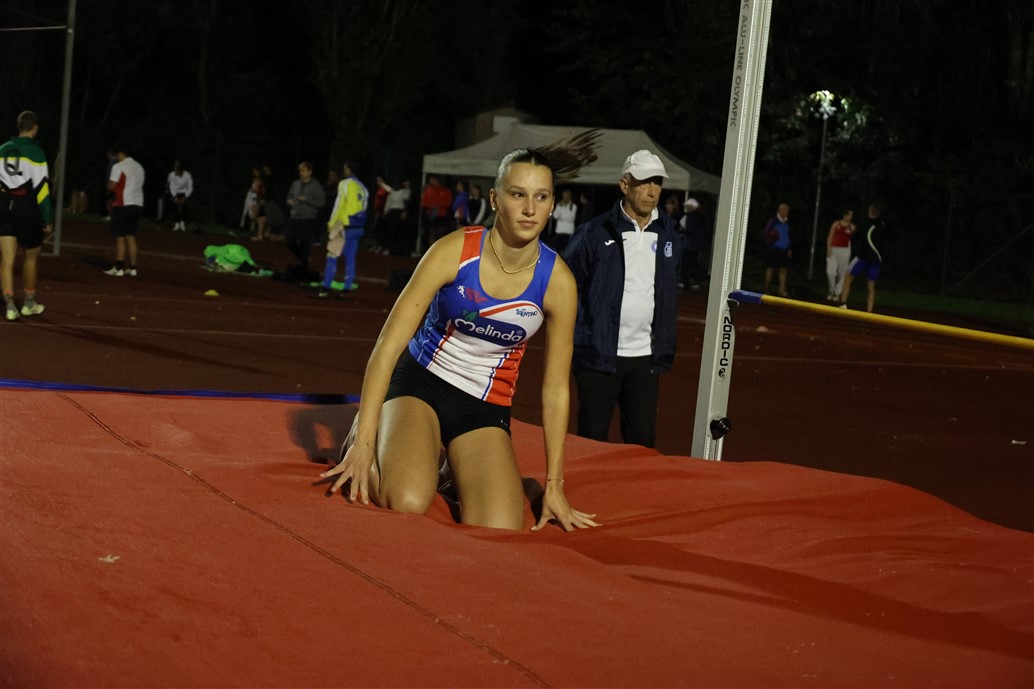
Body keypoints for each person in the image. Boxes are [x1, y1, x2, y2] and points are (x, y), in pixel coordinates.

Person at [320, 129, 603, 532]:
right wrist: (364, 443)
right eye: (518, 194)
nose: (529, 209)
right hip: (421, 384)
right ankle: (381, 431)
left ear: (553, 204)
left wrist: (555, 485)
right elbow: (388, 344)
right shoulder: (454, 251)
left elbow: (556, 389)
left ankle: (449, 467)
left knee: (499, 527)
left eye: (541, 197)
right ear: (495, 199)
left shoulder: (558, 282)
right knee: (407, 501)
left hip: (484, 406)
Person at [562, 150, 682, 449]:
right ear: (625, 185)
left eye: (657, 182)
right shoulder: (594, 232)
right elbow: (564, 283)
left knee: (642, 444)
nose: (652, 191)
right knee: (591, 442)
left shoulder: (670, 233)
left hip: (645, 359)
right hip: (599, 355)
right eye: (644, 182)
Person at [1, 110, 53, 321]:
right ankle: (29, 303)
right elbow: (42, 189)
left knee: (6, 260)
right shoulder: (36, 152)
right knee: (30, 258)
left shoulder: (3, 148)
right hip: (26, 207)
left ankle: (10, 306)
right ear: (35, 128)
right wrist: (47, 218)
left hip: (4, 206)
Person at [319, 161, 368, 297]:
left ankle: (326, 287)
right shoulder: (363, 188)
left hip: (343, 224)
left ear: (348, 169)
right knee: (350, 258)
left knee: (332, 255)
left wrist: (331, 223)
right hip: (358, 226)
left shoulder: (345, 184)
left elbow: (339, 205)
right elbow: (364, 207)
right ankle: (346, 289)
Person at [103, 143, 145, 277]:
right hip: (138, 204)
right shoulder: (139, 167)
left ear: (121, 153)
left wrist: (109, 190)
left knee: (120, 237)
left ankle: (119, 267)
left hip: (123, 204)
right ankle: (133, 268)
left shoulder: (119, 166)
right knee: (131, 236)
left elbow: (112, 185)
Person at [839, 203, 888, 312]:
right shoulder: (882, 226)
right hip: (875, 259)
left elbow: (854, 238)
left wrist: (856, 248)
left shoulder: (865, 224)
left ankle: (843, 304)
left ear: (870, 211)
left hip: (863, 257)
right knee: (871, 286)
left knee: (847, 278)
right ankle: (869, 312)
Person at [283, 161, 325, 280]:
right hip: (295, 217)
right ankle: (303, 258)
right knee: (288, 241)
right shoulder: (295, 184)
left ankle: (304, 268)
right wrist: (290, 201)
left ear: (310, 172)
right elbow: (289, 197)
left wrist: (306, 199)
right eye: (300, 170)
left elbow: (321, 202)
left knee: (305, 242)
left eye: (304, 170)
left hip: (308, 218)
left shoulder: (315, 186)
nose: (301, 173)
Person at [679, 198, 710, 289]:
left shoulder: (690, 217)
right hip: (696, 245)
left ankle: (687, 283)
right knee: (692, 263)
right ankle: (698, 279)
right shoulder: (701, 217)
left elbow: (689, 231)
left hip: (689, 245)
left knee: (687, 264)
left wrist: (682, 231)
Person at [825, 208, 855, 301]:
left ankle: (837, 293)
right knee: (830, 272)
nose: (850, 217)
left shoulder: (852, 227)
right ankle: (831, 290)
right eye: (849, 215)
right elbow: (830, 236)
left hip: (845, 251)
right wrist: (828, 248)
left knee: (842, 273)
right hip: (834, 249)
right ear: (844, 215)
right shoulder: (836, 224)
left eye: (852, 215)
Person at [762, 202, 792, 297]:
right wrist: (771, 239)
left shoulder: (787, 222)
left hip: (784, 249)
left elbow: (788, 236)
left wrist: (789, 248)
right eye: (785, 210)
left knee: (784, 270)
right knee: (770, 268)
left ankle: (781, 290)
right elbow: (766, 232)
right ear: (781, 210)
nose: (787, 212)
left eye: (787, 210)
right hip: (774, 249)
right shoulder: (774, 220)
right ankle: (767, 288)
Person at [379, 178, 412, 256]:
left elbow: (406, 202)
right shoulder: (394, 191)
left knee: (397, 231)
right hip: (394, 212)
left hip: (399, 212)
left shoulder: (404, 191)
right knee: (392, 231)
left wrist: (405, 211)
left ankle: (396, 249)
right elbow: (387, 189)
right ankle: (391, 248)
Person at [419, 174, 452, 250]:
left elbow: (448, 202)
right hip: (431, 215)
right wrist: (430, 206)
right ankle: (431, 250)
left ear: (436, 180)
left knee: (441, 232)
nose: (430, 181)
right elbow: (424, 202)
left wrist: (439, 205)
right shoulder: (428, 190)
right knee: (432, 232)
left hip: (441, 214)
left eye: (432, 179)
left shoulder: (445, 190)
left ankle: (440, 250)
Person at [166, 160, 194, 232]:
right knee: (175, 207)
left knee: (184, 207)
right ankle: (176, 224)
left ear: (181, 170)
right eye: (175, 168)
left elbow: (190, 187)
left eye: (176, 169)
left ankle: (182, 224)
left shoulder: (187, 175)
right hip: (175, 192)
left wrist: (185, 197)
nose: (175, 171)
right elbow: (171, 187)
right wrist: (174, 197)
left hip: (184, 193)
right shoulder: (172, 175)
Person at [550, 187, 577, 253]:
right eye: (564, 195)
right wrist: (560, 207)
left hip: (569, 231)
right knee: (557, 250)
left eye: (567, 196)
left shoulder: (573, 206)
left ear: (570, 196)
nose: (565, 197)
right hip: (559, 231)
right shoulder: (559, 205)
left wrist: (561, 217)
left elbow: (571, 218)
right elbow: (555, 216)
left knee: (567, 250)